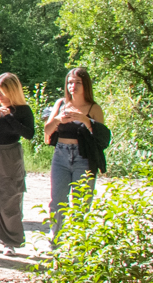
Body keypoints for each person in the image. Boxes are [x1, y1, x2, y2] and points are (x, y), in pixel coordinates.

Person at [43, 67, 107, 239]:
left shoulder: (94, 108)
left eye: (78, 83)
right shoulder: (60, 104)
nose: (73, 86)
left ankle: (77, 243)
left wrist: (85, 120)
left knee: (81, 202)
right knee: (58, 200)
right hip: (61, 155)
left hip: (83, 157)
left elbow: (102, 138)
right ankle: (55, 240)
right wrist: (58, 120)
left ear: (86, 85)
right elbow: (47, 131)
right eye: (70, 83)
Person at [0, 73, 33, 254]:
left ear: (13, 91)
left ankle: (9, 241)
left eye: (4, 92)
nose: (0, 96)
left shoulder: (23, 110)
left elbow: (29, 134)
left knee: (10, 199)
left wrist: (9, 116)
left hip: (11, 154)